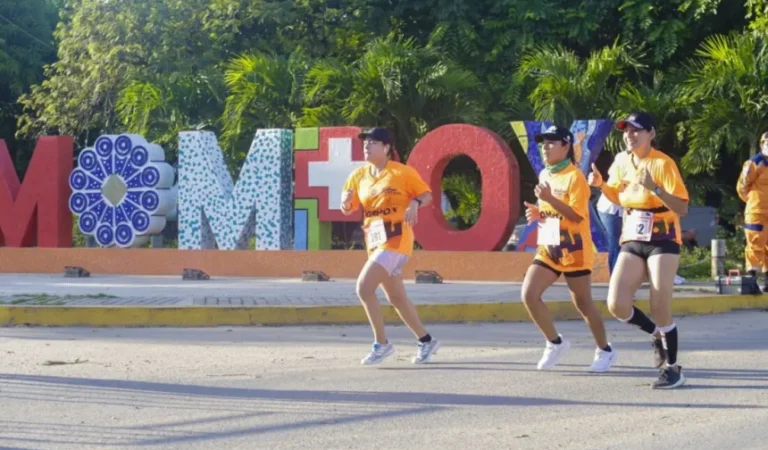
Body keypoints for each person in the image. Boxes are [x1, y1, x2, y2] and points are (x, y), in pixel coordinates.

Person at [588, 112, 689, 389]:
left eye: (636, 130)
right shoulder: (621, 161)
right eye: (626, 131)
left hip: (663, 238)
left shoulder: (663, 163)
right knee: (617, 303)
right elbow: (618, 197)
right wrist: (601, 186)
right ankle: (656, 334)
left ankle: (673, 368)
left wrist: (654, 188)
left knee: (660, 305)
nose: (629, 135)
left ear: (651, 134)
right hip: (633, 233)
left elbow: (682, 207)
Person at [521, 125, 617, 372]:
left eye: (552, 143)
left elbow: (576, 216)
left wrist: (551, 200)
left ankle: (604, 350)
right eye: (543, 143)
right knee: (529, 294)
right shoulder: (545, 174)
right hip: (549, 245)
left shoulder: (576, 178)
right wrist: (538, 211)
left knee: (583, 304)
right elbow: (551, 211)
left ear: (566, 147)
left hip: (574, 248)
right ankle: (555, 343)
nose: (545, 147)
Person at [341, 127, 439, 365]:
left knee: (364, 288)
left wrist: (415, 202)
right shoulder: (358, 175)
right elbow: (349, 206)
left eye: (373, 142)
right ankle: (426, 340)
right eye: (365, 142)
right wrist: (344, 203)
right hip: (373, 241)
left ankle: (381, 344)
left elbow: (427, 195)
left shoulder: (402, 172)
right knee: (396, 297)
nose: (367, 146)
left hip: (396, 239)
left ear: (386, 148)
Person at [736, 131, 768, 292]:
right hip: (756, 211)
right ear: (762, 144)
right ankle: (751, 281)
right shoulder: (754, 164)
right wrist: (753, 202)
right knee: (755, 244)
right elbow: (742, 187)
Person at [596, 152, 628, 275]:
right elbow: (616, 184)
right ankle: (616, 281)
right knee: (616, 244)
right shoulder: (623, 157)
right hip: (611, 209)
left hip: (624, 209)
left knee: (622, 245)